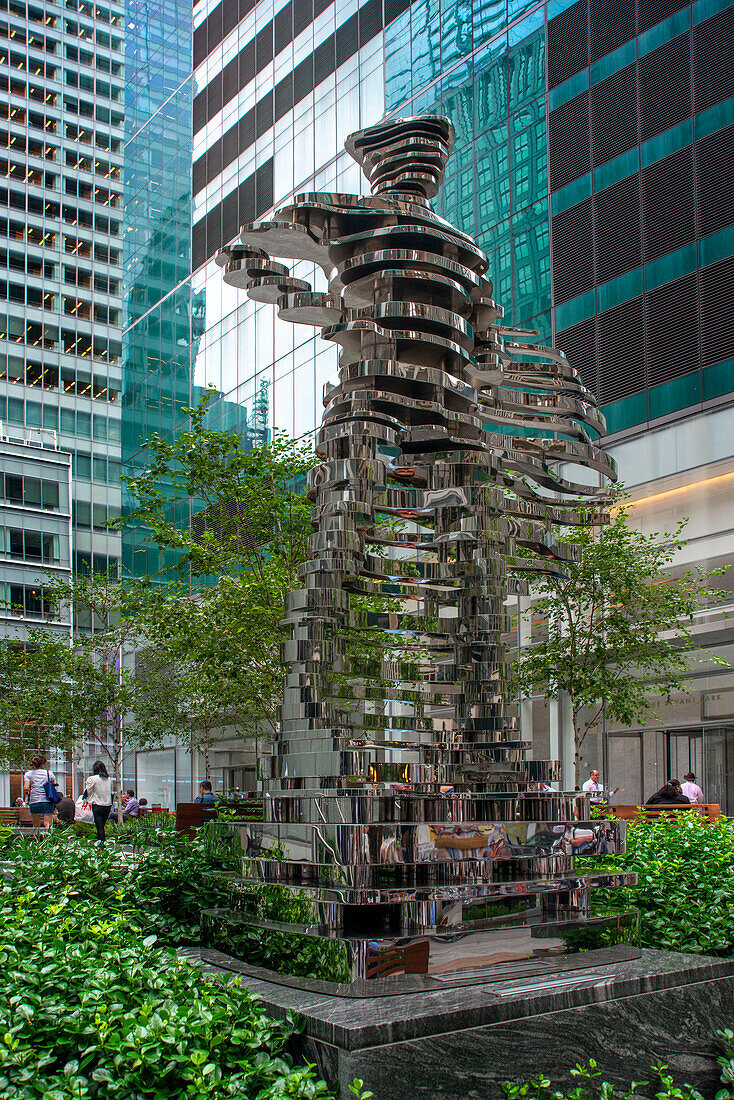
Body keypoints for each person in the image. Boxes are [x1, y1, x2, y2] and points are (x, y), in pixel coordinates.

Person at [23, 754, 57, 831]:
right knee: (48, 824)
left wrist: (28, 792)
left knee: (35, 826)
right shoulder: (49, 773)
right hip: (47, 801)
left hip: (34, 801)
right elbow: (53, 786)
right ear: (43, 764)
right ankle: (50, 840)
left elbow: (26, 788)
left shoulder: (28, 774)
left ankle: (36, 841)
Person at [85, 760, 113, 842]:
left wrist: (88, 800)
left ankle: (101, 844)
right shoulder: (108, 779)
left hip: (97, 805)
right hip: (107, 805)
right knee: (102, 826)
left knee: (99, 827)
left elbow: (88, 791)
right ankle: (101, 843)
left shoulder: (92, 779)